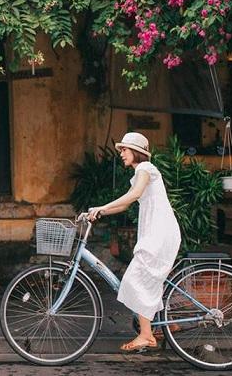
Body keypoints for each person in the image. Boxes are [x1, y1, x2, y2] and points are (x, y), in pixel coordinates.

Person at [87, 132, 181, 352]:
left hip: (160, 233)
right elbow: (125, 205)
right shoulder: (141, 173)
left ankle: (147, 335)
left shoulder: (145, 169)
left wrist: (102, 207)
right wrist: (100, 210)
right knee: (148, 278)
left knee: (136, 279)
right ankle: (169, 324)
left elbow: (134, 194)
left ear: (136, 152)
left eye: (124, 150)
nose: (121, 154)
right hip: (156, 232)